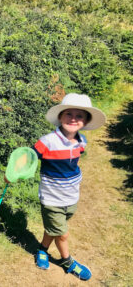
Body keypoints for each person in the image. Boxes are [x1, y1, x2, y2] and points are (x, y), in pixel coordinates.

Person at [33, 93, 106, 281]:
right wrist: (14, 173)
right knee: (62, 234)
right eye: (69, 114)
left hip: (71, 197)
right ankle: (67, 261)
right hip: (51, 198)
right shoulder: (47, 141)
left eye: (79, 115)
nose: (74, 119)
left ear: (86, 121)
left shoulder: (82, 142)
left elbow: (73, 163)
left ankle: (42, 250)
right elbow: (28, 158)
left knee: (54, 228)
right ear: (60, 116)